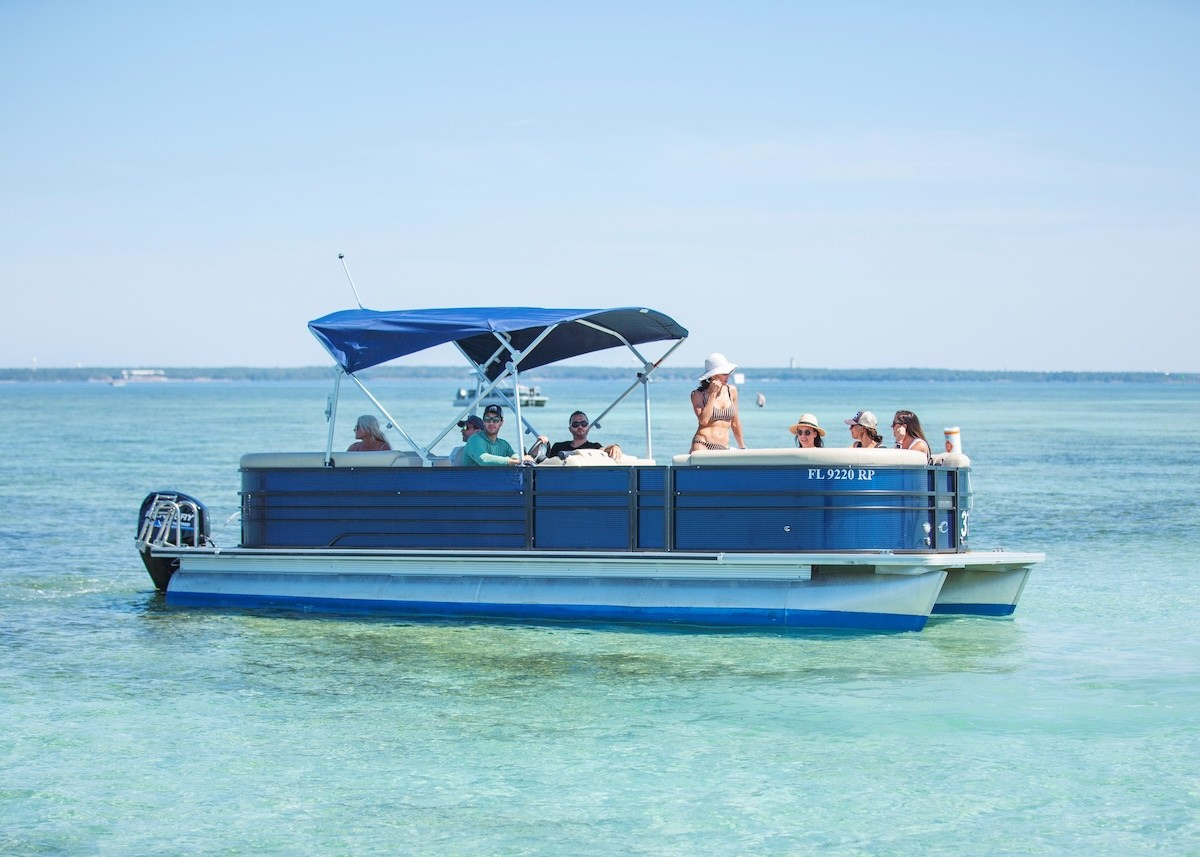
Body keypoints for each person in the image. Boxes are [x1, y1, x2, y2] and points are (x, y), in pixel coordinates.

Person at [690, 353, 746, 452]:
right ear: (713, 376)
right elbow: (703, 420)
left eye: (728, 373)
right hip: (703, 444)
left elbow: (735, 423)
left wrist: (742, 447)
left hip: (724, 447)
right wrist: (713, 394)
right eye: (724, 374)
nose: (728, 376)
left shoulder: (731, 391)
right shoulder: (698, 395)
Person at [463, 404, 530, 466]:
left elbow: (516, 458)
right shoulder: (474, 440)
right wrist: (511, 461)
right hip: (474, 478)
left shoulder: (504, 445)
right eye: (487, 419)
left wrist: (525, 458)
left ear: (501, 423)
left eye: (496, 420)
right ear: (483, 422)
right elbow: (483, 459)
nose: (491, 423)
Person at [528, 411, 602, 460]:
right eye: (575, 424)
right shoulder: (558, 447)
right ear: (570, 429)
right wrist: (540, 443)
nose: (580, 427)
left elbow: (606, 451)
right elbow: (541, 462)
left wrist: (613, 447)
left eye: (583, 424)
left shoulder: (596, 447)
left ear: (588, 428)